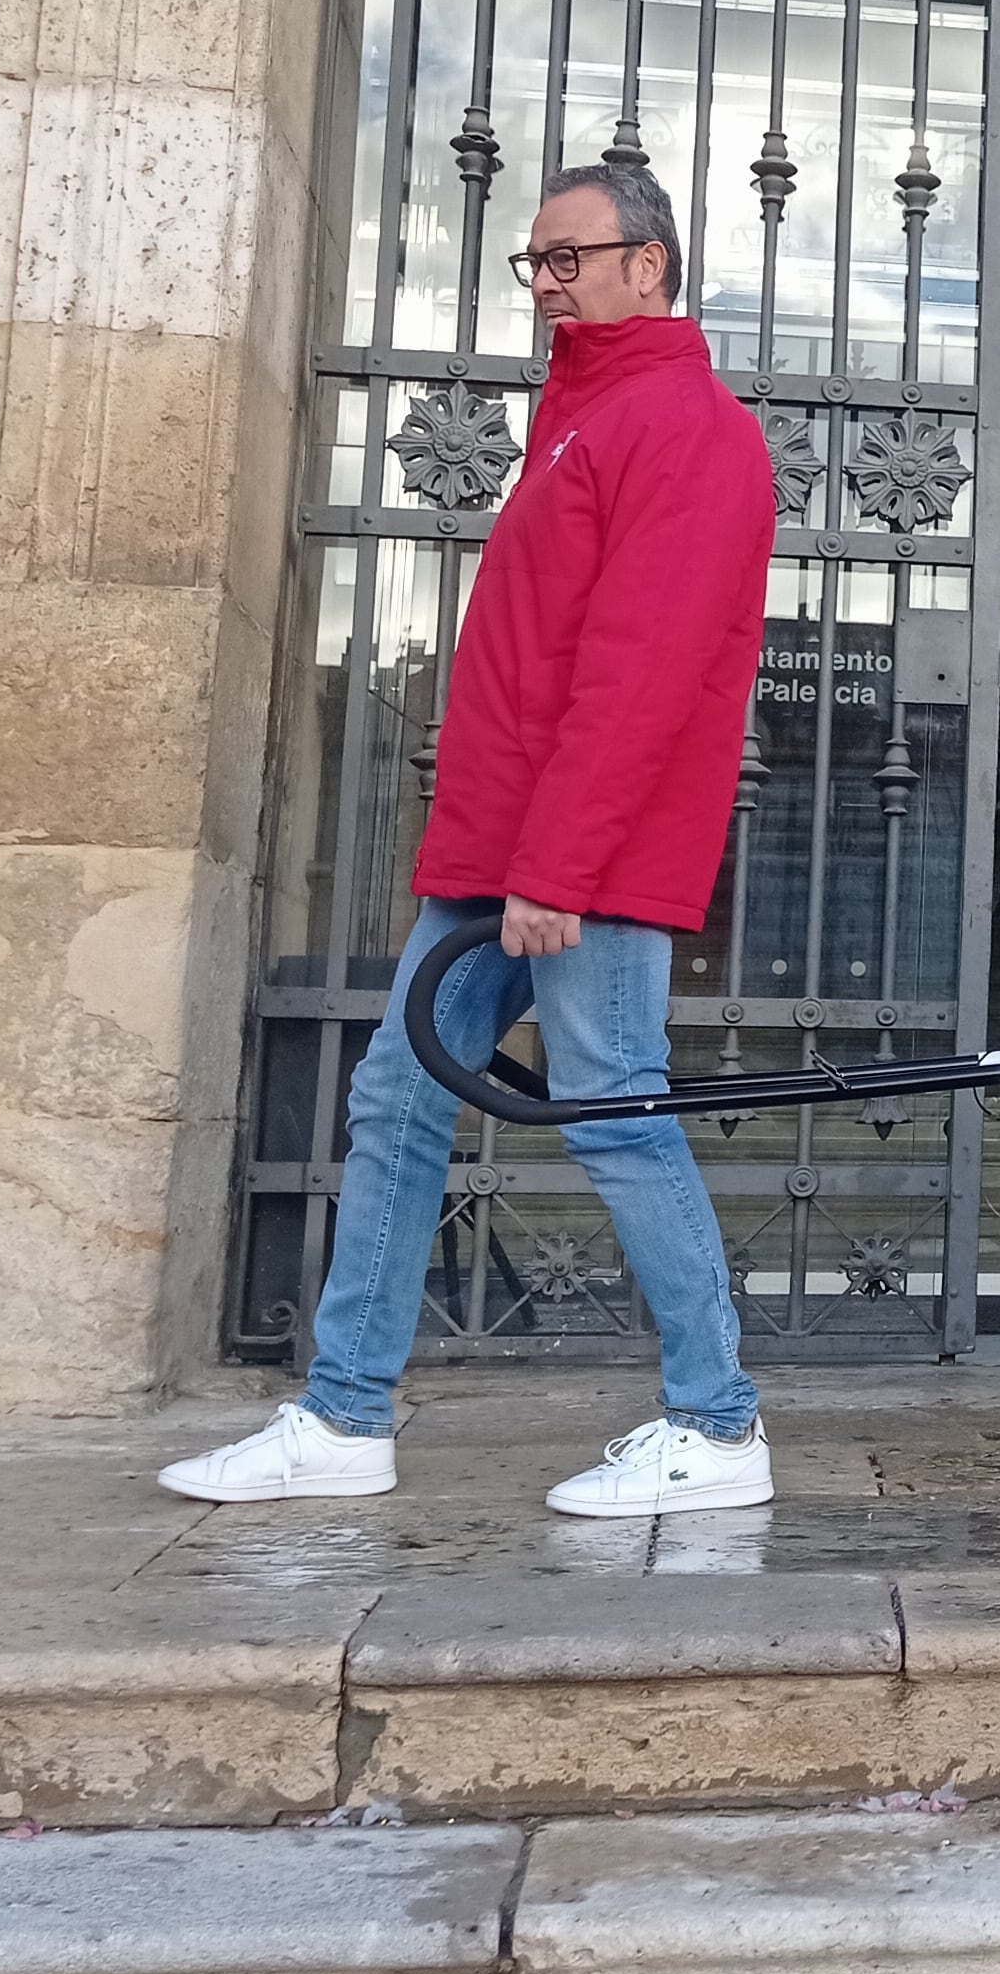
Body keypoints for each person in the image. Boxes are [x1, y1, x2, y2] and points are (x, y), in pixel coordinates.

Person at [162, 162, 782, 1517]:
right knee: (397, 1095)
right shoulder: (582, 418)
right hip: (500, 850)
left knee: (615, 1105)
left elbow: (643, 671)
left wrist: (558, 867)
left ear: (651, 266)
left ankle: (719, 1427)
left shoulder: (689, 428)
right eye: (536, 262)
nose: (550, 282)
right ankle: (342, 1419)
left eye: (573, 258)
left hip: (581, 863)